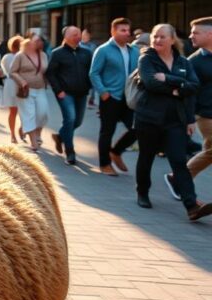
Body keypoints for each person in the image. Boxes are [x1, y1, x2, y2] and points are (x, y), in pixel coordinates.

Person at [133, 24, 212, 220]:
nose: (157, 40)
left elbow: (193, 87)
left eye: (162, 37)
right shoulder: (146, 59)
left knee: (179, 161)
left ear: (172, 39)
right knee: (146, 157)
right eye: (155, 36)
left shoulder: (183, 62)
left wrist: (169, 79)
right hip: (149, 118)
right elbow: (151, 83)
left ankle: (191, 206)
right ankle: (142, 192)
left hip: (175, 120)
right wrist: (178, 88)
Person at [89, 18, 139, 176]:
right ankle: (105, 164)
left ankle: (116, 151)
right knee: (107, 132)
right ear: (113, 31)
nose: (127, 33)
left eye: (128, 30)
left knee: (138, 128)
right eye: (122, 30)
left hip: (129, 98)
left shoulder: (134, 50)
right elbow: (94, 73)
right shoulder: (103, 50)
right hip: (110, 98)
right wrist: (103, 92)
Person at [46, 26, 93, 165]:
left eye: (79, 34)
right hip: (65, 93)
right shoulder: (57, 53)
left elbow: (92, 71)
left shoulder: (86, 52)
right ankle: (70, 152)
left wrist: (89, 87)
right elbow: (50, 73)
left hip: (82, 92)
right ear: (65, 37)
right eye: (74, 34)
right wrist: (58, 90)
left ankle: (60, 136)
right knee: (70, 118)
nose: (78, 36)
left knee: (77, 121)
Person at [184, 17, 212, 191]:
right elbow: (189, 93)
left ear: (210, 34)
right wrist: (189, 119)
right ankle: (180, 178)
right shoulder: (193, 61)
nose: (190, 36)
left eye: (195, 32)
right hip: (206, 115)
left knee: (209, 153)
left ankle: (179, 180)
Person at [10, 33, 50, 152]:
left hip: (40, 89)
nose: (39, 43)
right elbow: (12, 72)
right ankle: (33, 142)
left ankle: (34, 131)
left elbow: (46, 71)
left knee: (43, 114)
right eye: (36, 41)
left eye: (40, 41)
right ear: (29, 42)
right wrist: (22, 81)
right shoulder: (20, 55)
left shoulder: (43, 55)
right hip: (26, 90)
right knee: (29, 114)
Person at [0, 36, 23, 143]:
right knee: (23, 110)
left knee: (13, 112)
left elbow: (4, 72)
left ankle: (13, 135)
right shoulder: (22, 56)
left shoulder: (6, 57)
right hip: (19, 84)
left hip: (10, 84)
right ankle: (20, 130)